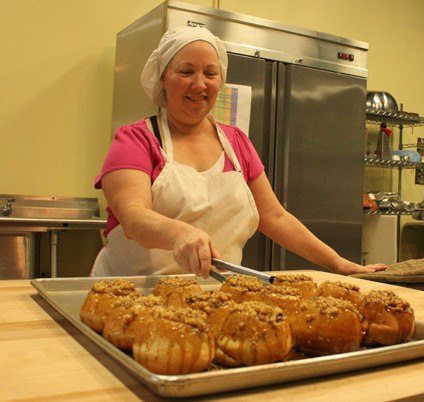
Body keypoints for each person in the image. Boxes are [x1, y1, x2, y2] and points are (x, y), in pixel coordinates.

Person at [91, 26, 386, 279]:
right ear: (163, 79)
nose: (199, 83)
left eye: (210, 73)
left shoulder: (236, 143)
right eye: (186, 71)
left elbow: (276, 218)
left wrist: (338, 263)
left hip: (211, 296)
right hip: (130, 294)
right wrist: (180, 233)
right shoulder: (135, 139)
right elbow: (134, 218)